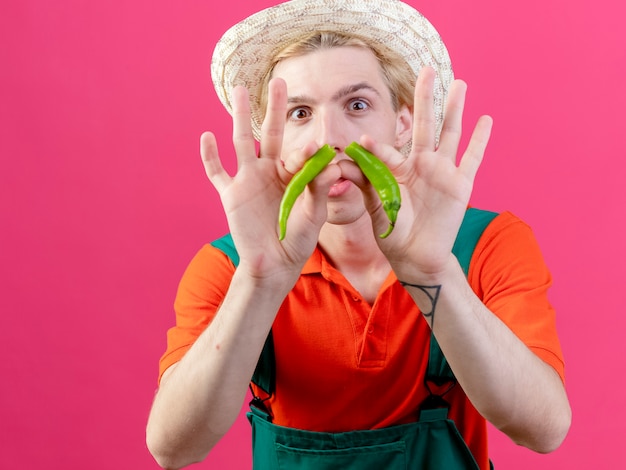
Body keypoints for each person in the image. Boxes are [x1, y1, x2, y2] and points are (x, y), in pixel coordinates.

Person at [146, 0, 571, 468]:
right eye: (300, 113)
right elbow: (172, 448)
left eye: (357, 104)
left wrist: (431, 272)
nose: (328, 138)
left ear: (403, 121)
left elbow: (544, 429)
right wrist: (261, 281)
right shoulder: (230, 267)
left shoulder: (489, 244)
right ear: (275, 138)